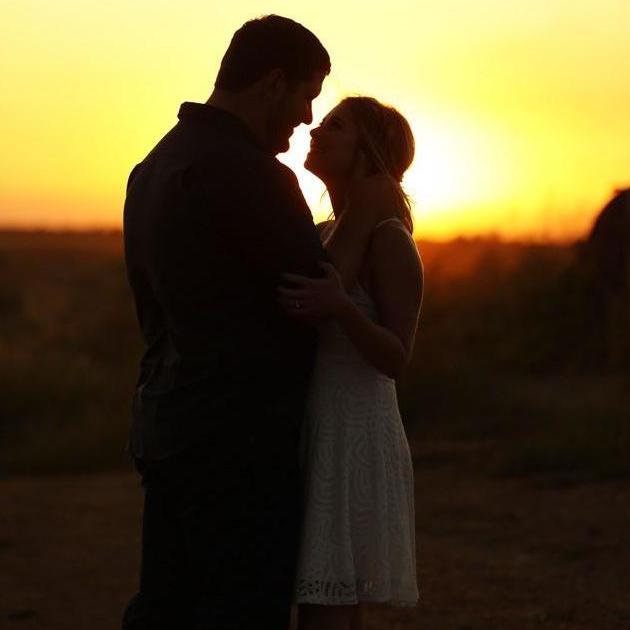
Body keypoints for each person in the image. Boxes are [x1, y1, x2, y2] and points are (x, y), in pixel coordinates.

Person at [121, 15, 333, 630]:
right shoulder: (254, 175)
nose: (308, 118)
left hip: (166, 425)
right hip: (240, 444)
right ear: (273, 82)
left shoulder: (152, 167)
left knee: (165, 607)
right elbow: (312, 292)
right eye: (307, 95)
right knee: (242, 610)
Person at [278, 96, 423, 630]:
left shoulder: (390, 240)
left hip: (354, 429)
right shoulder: (324, 232)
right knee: (318, 600)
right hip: (315, 421)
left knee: (330, 603)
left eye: (335, 126)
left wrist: (343, 309)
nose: (316, 130)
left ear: (367, 152)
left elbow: (396, 357)